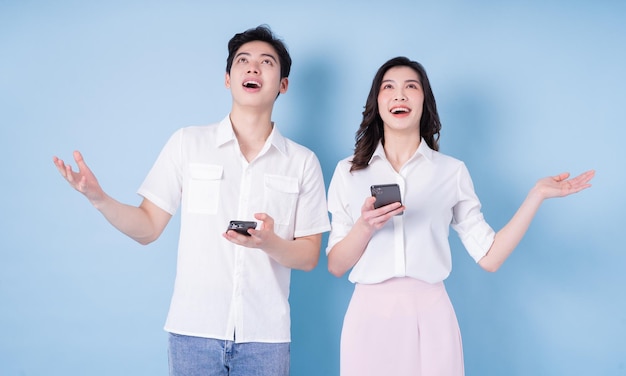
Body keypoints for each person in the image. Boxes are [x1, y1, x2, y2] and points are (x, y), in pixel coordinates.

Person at [53, 25, 331, 376]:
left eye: (266, 62)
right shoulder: (188, 143)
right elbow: (148, 227)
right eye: (243, 61)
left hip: (266, 336)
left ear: (284, 84)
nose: (253, 68)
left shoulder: (302, 161)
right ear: (228, 79)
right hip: (192, 333)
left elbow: (308, 256)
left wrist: (270, 243)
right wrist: (99, 198)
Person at [326, 56, 595, 375]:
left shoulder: (451, 172)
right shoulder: (348, 173)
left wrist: (535, 196)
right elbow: (336, 265)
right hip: (368, 316)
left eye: (411, 86)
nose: (400, 95)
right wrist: (365, 226)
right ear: (377, 102)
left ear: (424, 101)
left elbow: (490, 257)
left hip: (431, 312)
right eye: (389, 87)